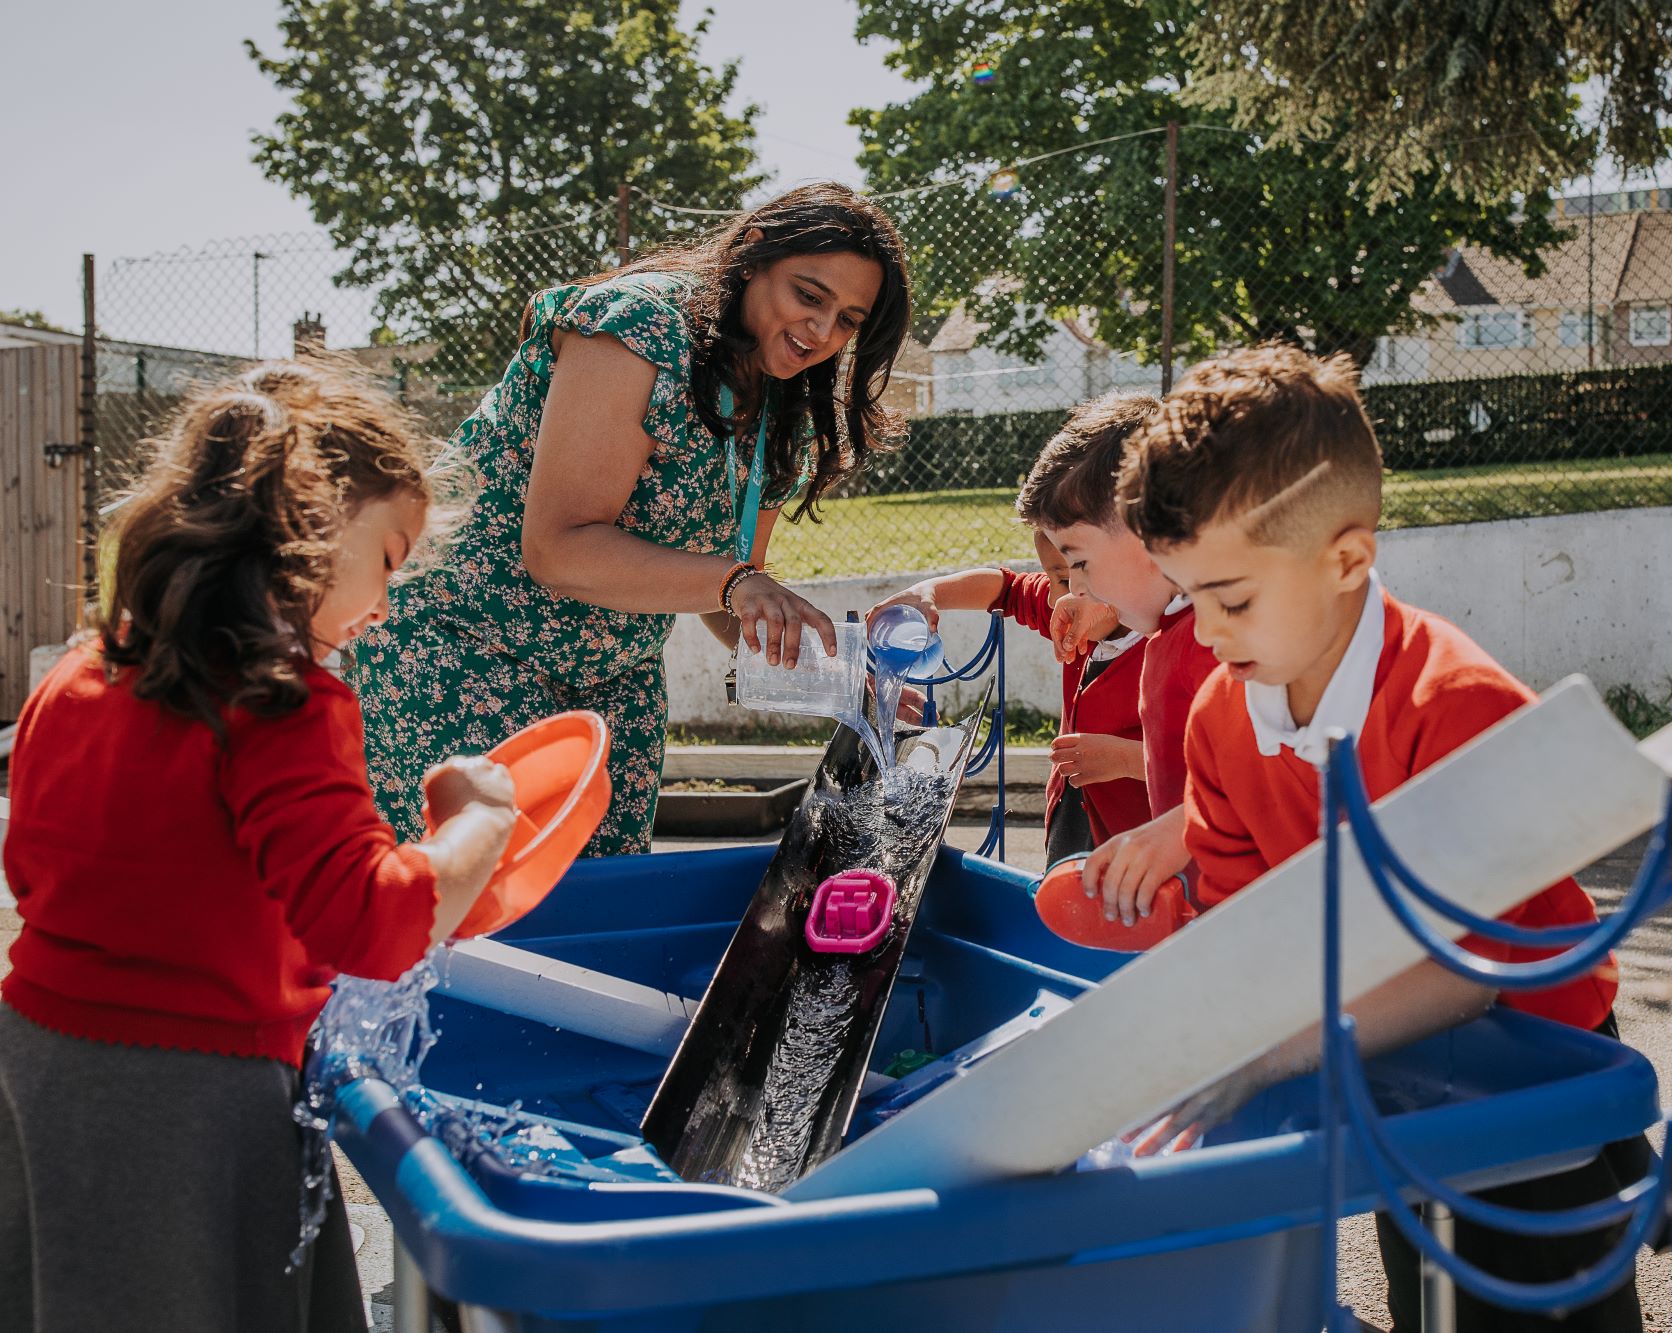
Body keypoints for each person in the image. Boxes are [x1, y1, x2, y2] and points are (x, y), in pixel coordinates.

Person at [1116, 344, 1641, 1331]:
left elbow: (1464, 974)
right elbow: (1247, 927)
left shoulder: (1458, 704)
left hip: (1525, 1068)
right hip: (1374, 1055)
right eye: (1186, 596)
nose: (1203, 630)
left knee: (1531, 1301)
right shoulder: (1221, 718)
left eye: (1229, 598)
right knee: (1426, 1294)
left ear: (1347, 557)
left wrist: (1268, 1050)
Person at [0, 362, 517, 1332]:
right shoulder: (281, 701)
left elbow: (35, 868)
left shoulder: (87, 665)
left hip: (39, 1058)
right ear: (311, 527)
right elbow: (373, 921)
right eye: (392, 558)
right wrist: (479, 819)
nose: (389, 600)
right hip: (188, 1093)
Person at [350, 183, 912, 856]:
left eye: (848, 319)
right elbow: (558, 549)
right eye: (808, 296)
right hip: (467, 643)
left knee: (604, 910)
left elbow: (724, 594)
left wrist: (841, 678)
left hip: (614, 673)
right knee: (480, 908)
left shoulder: (782, 401)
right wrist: (737, 583)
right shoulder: (639, 327)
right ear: (753, 256)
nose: (822, 333)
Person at [868, 397, 1155, 866]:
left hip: (1144, 844)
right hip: (1074, 813)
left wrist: (1124, 759)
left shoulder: (1179, 643)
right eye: (1058, 572)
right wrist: (929, 592)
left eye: (1078, 566)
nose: (1065, 590)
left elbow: (1210, 768)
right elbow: (1004, 587)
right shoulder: (1074, 611)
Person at [1016, 399, 1218, 932]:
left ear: (1148, 530)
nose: (1076, 589)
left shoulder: (1216, 642)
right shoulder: (1166, 632)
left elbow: (1263, 787)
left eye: (1079, 563)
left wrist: (1176, 833)